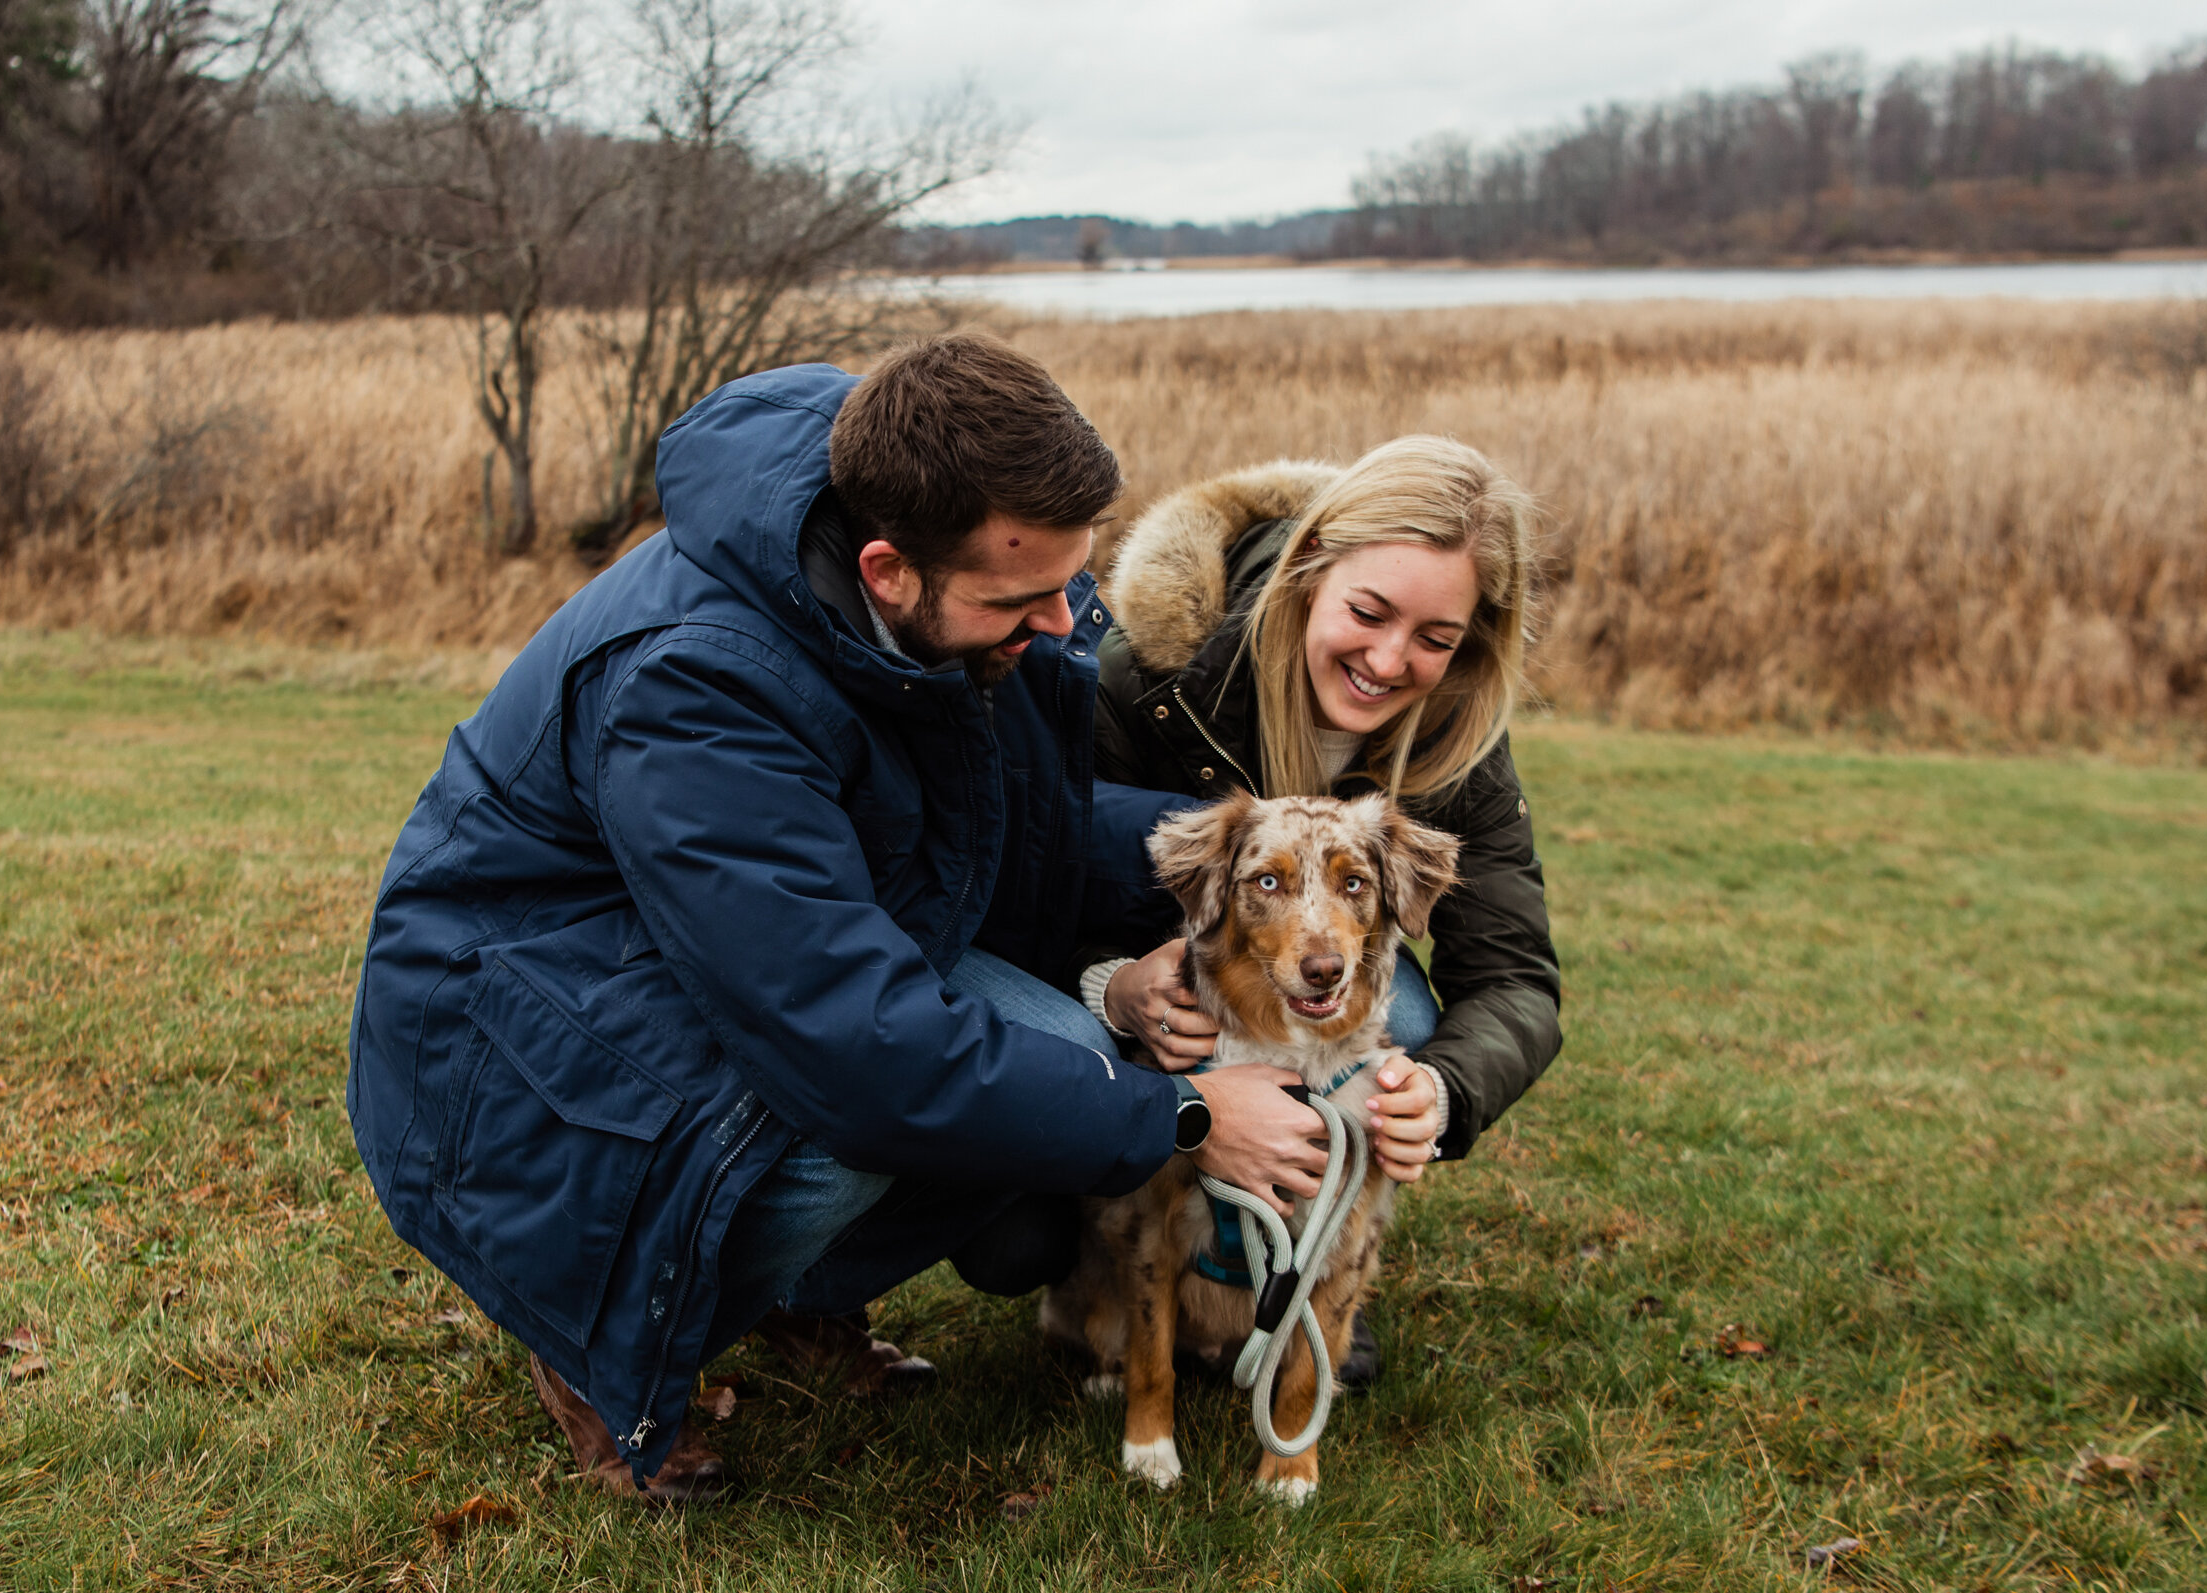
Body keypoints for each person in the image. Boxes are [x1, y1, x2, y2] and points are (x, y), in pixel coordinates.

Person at [345, 334, 1335, 1504]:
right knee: (856, 1119)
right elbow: (851, 1044)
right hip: (518, 1047)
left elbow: (1022, 826)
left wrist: (1256, 858)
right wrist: (1179, 1117)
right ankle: (597, 1339)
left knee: (1056, 1057)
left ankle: (785, 1296)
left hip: (698, 964)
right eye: (1022, 600)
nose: (1068, 627)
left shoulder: (949, 575)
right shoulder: (695, 685)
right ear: (886, 571)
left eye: (1075, 584)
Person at [1076, 437, 1565, 1381]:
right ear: (1308, 570)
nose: (1389, 661)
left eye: (1435, 638)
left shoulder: (1461, 737)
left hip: (1311, 1009)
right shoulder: (1152, 677)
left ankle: (1309, 1262)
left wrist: (1443, 1092)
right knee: (1018, 1233)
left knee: (1407, 1018)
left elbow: (1513, 976)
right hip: (1167, 1008)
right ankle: (1110, 1258)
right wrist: (1113, 982)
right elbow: (1043, 876)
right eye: (1368, 612)